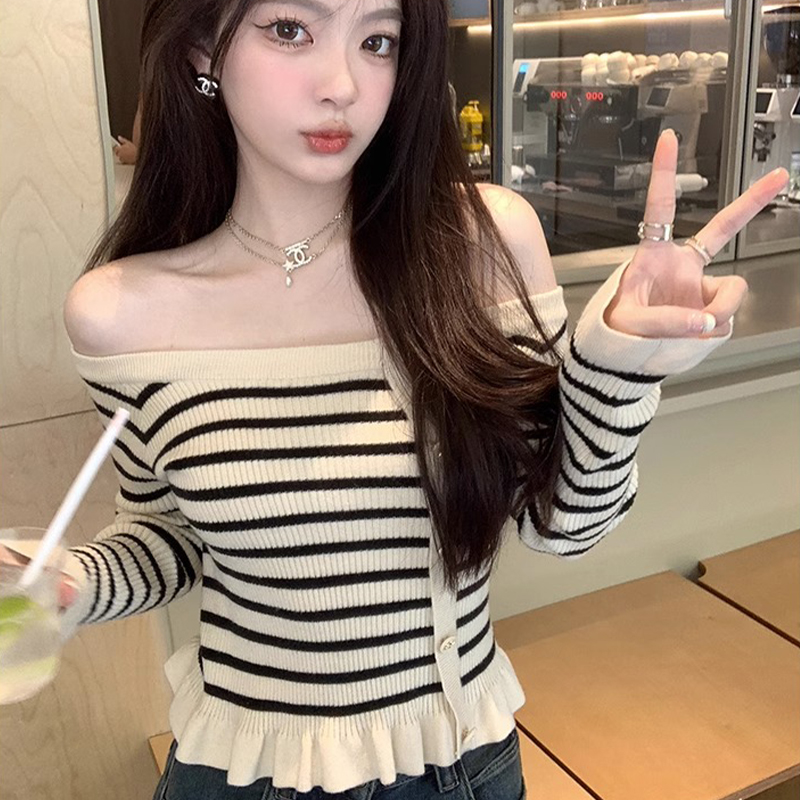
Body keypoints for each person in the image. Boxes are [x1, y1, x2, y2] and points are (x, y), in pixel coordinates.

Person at [8, 0, 789, 798]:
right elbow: (171, 532)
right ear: (202, 51)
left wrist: (618, 364)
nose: (343, 84)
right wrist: (67, 581)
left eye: (378, 41)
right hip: (243, 771)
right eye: (291, 30)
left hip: (456, 764)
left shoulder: (483, 244)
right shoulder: (119, 314)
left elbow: (562, 524)